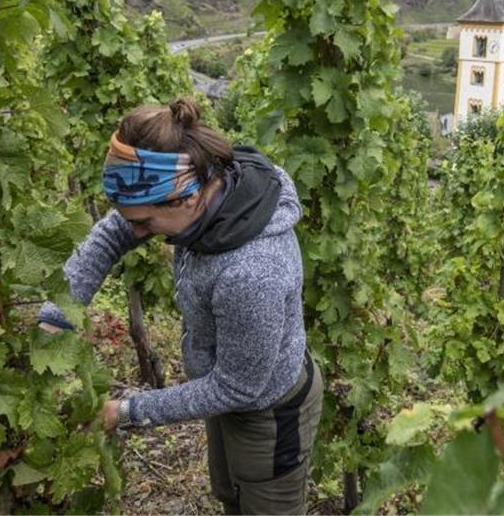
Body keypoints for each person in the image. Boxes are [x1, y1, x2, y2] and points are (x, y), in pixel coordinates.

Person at [37, 97, 322, 515]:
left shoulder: (251, 272)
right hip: (225, 390)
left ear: (184, 199)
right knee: (230, 493)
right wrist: (57, 315)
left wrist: (127, 410)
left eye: (144, 224)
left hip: (270, 412)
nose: (134, 232)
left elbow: (237, 387)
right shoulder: (205, 184)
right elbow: (114, 233)